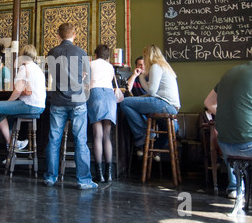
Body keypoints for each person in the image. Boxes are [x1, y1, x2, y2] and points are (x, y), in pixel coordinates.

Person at [43, 22, 97, 190]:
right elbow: (86, 81)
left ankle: (51, 177)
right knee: (81, 141)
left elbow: (51, 76)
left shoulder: (51, 53)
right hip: (78, 102)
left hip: (58, 101)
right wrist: (81, 77)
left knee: (53, 140)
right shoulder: (81, 53)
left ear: (58, 36)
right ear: (74, 35)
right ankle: (84, 180)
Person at [204, 42, 252, 198]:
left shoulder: (231, 72)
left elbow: (208, 103)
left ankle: (235, 187)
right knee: (247, 135)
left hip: (225, 146)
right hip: (251, 145)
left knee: (235, 134)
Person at [0, 45, 46, 152]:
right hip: (39, 106)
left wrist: (8, 102)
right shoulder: (37, 69)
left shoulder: (25, 67)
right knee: (4, 114)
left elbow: (18, 90)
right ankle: (12, 143)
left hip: (30, 105)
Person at [120, 45, 180, 156]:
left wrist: (142, 76)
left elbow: (152, 92)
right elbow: (154, 94)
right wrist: (138, 98)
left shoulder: (156, 67)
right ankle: (152, 149)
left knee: (125, 103)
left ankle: (143, 134)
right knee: (165, 132)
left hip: (163, 105)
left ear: (148, 56)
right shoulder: (165, 67)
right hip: (172, 108)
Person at [87, 44, 117, 183]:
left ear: (96, 54)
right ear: (108, 56)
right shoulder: (110, 66)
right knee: (107, 136)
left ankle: (99, 175)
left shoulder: (91, 64)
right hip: (110, 96)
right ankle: (109, 174)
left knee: (97, 136)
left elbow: (85, 81)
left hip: (96, 94)